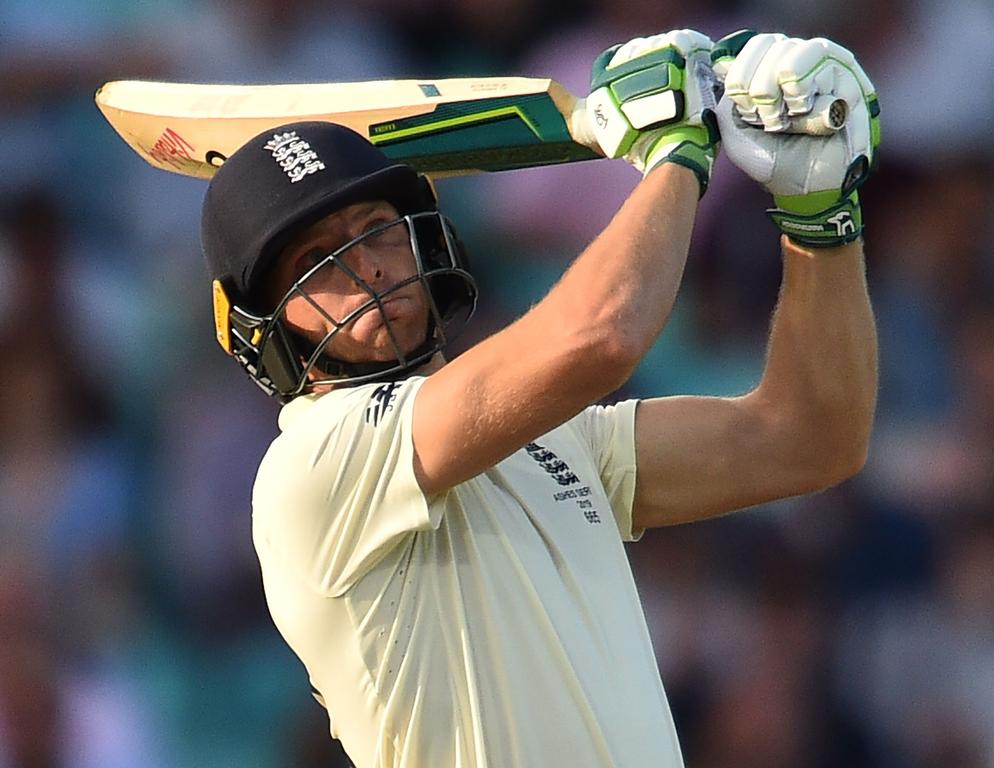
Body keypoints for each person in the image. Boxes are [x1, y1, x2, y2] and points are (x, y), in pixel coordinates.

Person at [199, 28, 880, 768]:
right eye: (315, 260)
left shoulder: (559, 441)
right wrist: (679, 151)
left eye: (375, 229)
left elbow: (809, 437)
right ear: (261, 329)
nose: (363, 267)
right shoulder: (315, 467)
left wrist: (818, 215)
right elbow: (602, 337)